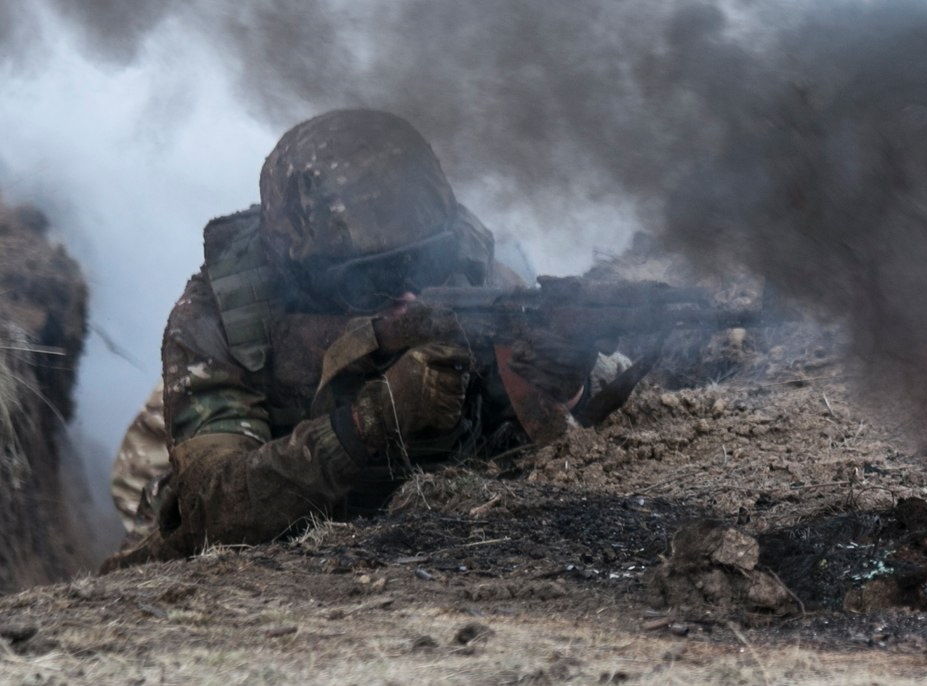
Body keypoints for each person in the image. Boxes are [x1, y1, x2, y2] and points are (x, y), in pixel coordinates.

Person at [104, 109, 625, 570]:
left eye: (427, 261)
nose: (411, 289)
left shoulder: (471, 273)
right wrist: (368, 421)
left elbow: (566, 425)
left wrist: (567, 385)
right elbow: (215, 515)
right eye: (375, 277)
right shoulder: (217, 324)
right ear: (302, 269)